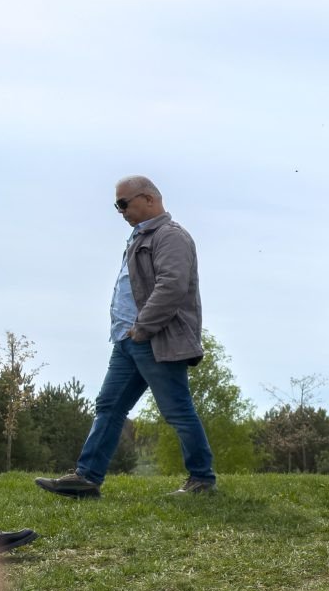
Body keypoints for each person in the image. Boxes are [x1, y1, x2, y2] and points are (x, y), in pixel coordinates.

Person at [36, 176, 217, 499]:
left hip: (154, 338)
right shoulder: (140, 237)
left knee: (177, 410)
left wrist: (142, 327)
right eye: (116, 206)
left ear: (148, 199)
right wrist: (130, 332)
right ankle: (87, 479)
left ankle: (202, 480)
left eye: (123, 204)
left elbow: (172, 286)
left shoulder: (170, 236)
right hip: (127, 341)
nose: (120, 211)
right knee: (108, 405)